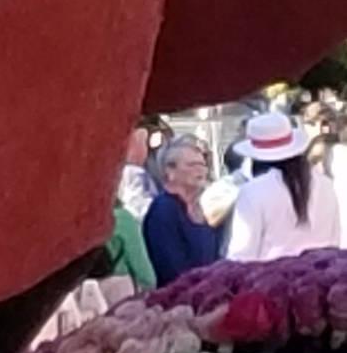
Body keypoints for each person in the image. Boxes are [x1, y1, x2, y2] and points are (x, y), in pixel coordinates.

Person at [224, 107, 343, 261]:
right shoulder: (325, 185)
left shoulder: (253, 191)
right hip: (321, 274)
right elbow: (334, 244)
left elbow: (241, 257)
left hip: (270, 276)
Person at [141, 134, 231, 283]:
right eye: (192, 165)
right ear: (169, 171)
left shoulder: (206, 208)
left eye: (202, 164)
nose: (200, 170)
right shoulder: (163, 210)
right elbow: (172, 270)